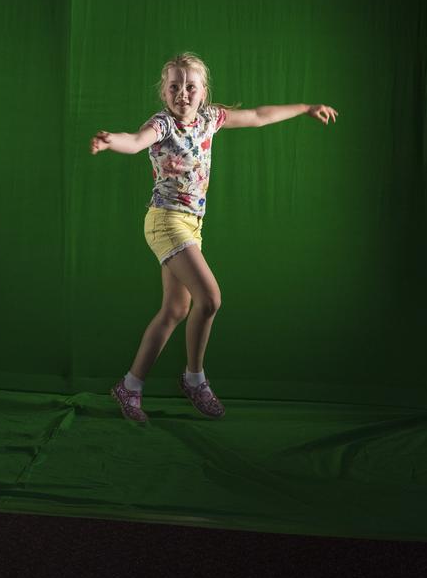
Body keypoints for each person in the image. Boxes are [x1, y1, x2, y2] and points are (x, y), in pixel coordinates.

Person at [90, 52, 337, 423]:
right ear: (164, 92)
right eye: (174, 87)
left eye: (191, 86)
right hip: (165, 221)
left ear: (203, 92)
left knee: (176, 309)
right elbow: (135, 140)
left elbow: (257, 116)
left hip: (193, 225)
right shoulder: (162, 125)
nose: (183, 94)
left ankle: (130, 385)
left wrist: (305, 107)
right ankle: (195, 379)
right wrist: (112, 141)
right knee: (210, 299)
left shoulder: (210, 119)